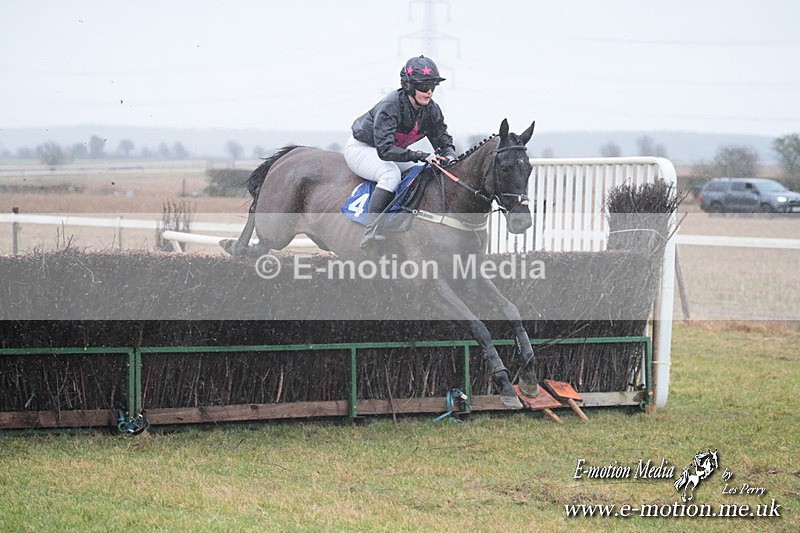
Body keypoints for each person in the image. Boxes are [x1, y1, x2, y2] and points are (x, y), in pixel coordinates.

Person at [344, 55, 457, 249]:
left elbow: (442, 139)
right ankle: (371, 230)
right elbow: (385, 150)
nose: (429, 92)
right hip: (362, 149)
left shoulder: (432, 110)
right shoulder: (391, 106)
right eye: (423, 87)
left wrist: (450, 154)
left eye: (432, 87)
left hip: (389, 151)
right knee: (390, 174)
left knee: (425, 171)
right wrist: (421, 156)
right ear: (408, 86)